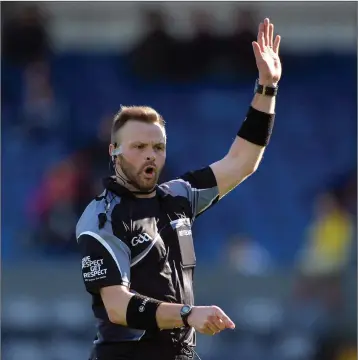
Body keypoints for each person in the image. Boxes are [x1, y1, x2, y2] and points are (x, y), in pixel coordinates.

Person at [76, 18, 281, 360]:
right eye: (138, 146)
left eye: (157, 147)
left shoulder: (178, 196)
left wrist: (267, 88)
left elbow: (242, 161)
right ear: (113, 150)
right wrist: (187, 314)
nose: (150, 155)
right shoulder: (100, 217)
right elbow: (116, 306)